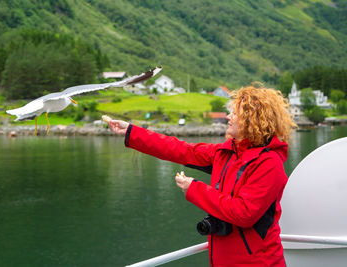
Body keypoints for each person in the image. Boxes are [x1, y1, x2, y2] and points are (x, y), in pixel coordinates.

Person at [107, 83, 296, 267]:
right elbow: (181, 150)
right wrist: (131, 133)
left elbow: (244, 213)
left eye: (235, 113)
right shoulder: (226, 152)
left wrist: (194, 189)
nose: (228, 117)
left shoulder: (270, 164)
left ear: (251, 120)